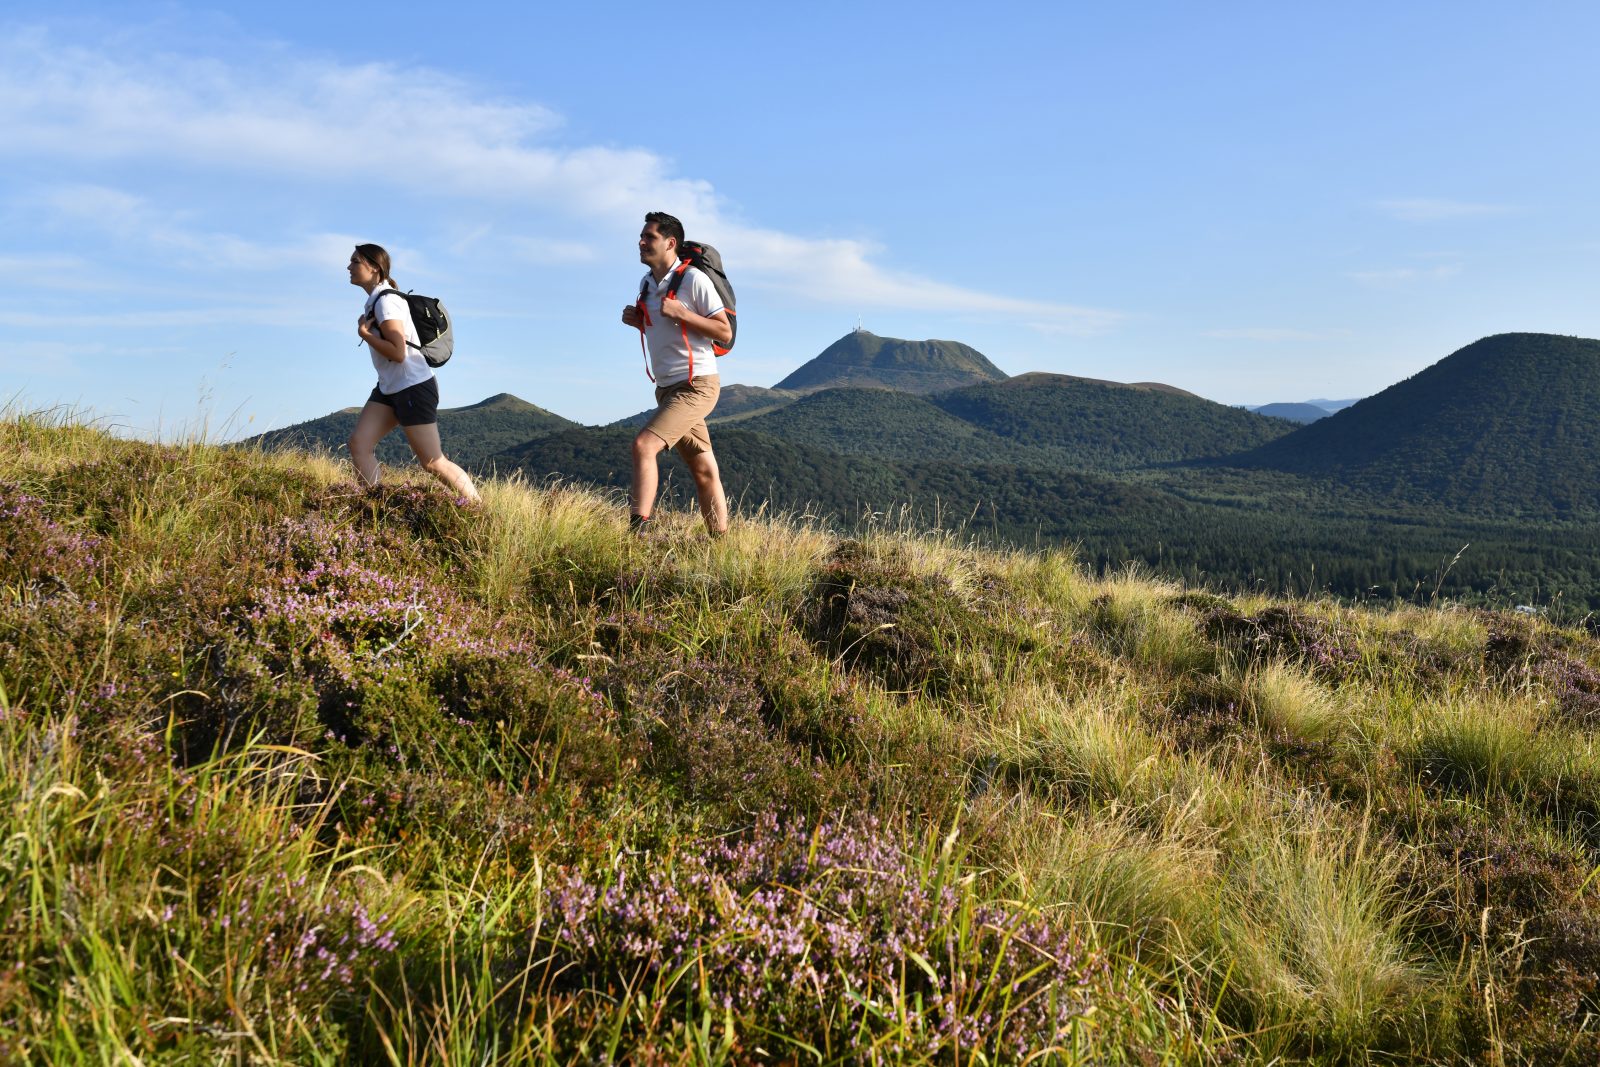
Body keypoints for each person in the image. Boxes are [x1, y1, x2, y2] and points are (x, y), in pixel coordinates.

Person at [619, 212, 732, 536]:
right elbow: (665, 328)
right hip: (667, 388)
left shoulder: (694, 280)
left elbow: (722, 331)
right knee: (704, 471)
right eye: (641, 236)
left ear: (670, 243)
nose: (641, 242)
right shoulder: (647, 283)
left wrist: (682, 314)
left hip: (697, 385)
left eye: (649, 237)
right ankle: (721, 544)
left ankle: (636, 535)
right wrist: (639, 321)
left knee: (643, 445)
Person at [345, 243, 480, 503]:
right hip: (389, 388)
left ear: (374, 267)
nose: (349, 267)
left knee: (433, 462)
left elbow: (398, 352)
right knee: (359, 444)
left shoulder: (387, 303)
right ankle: (374, 508)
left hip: (412, 387)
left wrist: (364, 335)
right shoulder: (375, 301)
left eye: (355, 262)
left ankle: (478, 509)